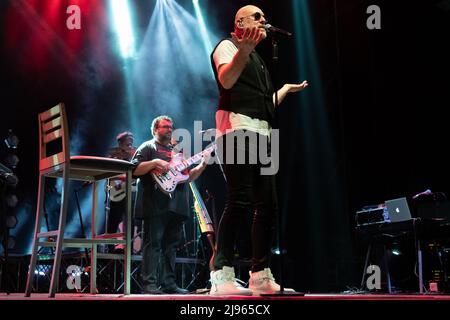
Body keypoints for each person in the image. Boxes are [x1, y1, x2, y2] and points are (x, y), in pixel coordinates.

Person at [209, 5, 309, 295]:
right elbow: (226, 80)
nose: (264, 22)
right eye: (258, 18)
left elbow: (263, 106)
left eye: (265, 18)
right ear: (240, 23)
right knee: (238, 200)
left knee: (268, 205)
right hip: (235, 130)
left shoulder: (258, 60)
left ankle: (260, 275)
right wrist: (244, 48)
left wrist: (285, 91)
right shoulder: (227, 46)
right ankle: (221, 275)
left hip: (262, 133)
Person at [132, 116, 210, 294]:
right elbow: (134, 170)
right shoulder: (148, 147)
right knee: (153, 244)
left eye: (171, 127)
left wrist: (203, 164)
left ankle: (169, 284)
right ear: (154, 130)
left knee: (171, 246)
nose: (169, 129)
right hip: (155, 204)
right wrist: (154, 162)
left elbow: (188, 177)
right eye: (165, 126)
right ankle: (149, 284)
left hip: (177, 206)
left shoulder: (178, 153)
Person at [105, 131, 136, 252]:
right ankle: (110, 247)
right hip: (117, 191)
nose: (131, 142)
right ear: (120, 142)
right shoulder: (113, 155)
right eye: (128, 140)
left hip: (131, 191)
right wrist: (119, 179)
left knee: (131, 221)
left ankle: (129, 248)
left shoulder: (135, 155)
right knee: (114, 219)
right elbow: (107, 173)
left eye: (132, 140)